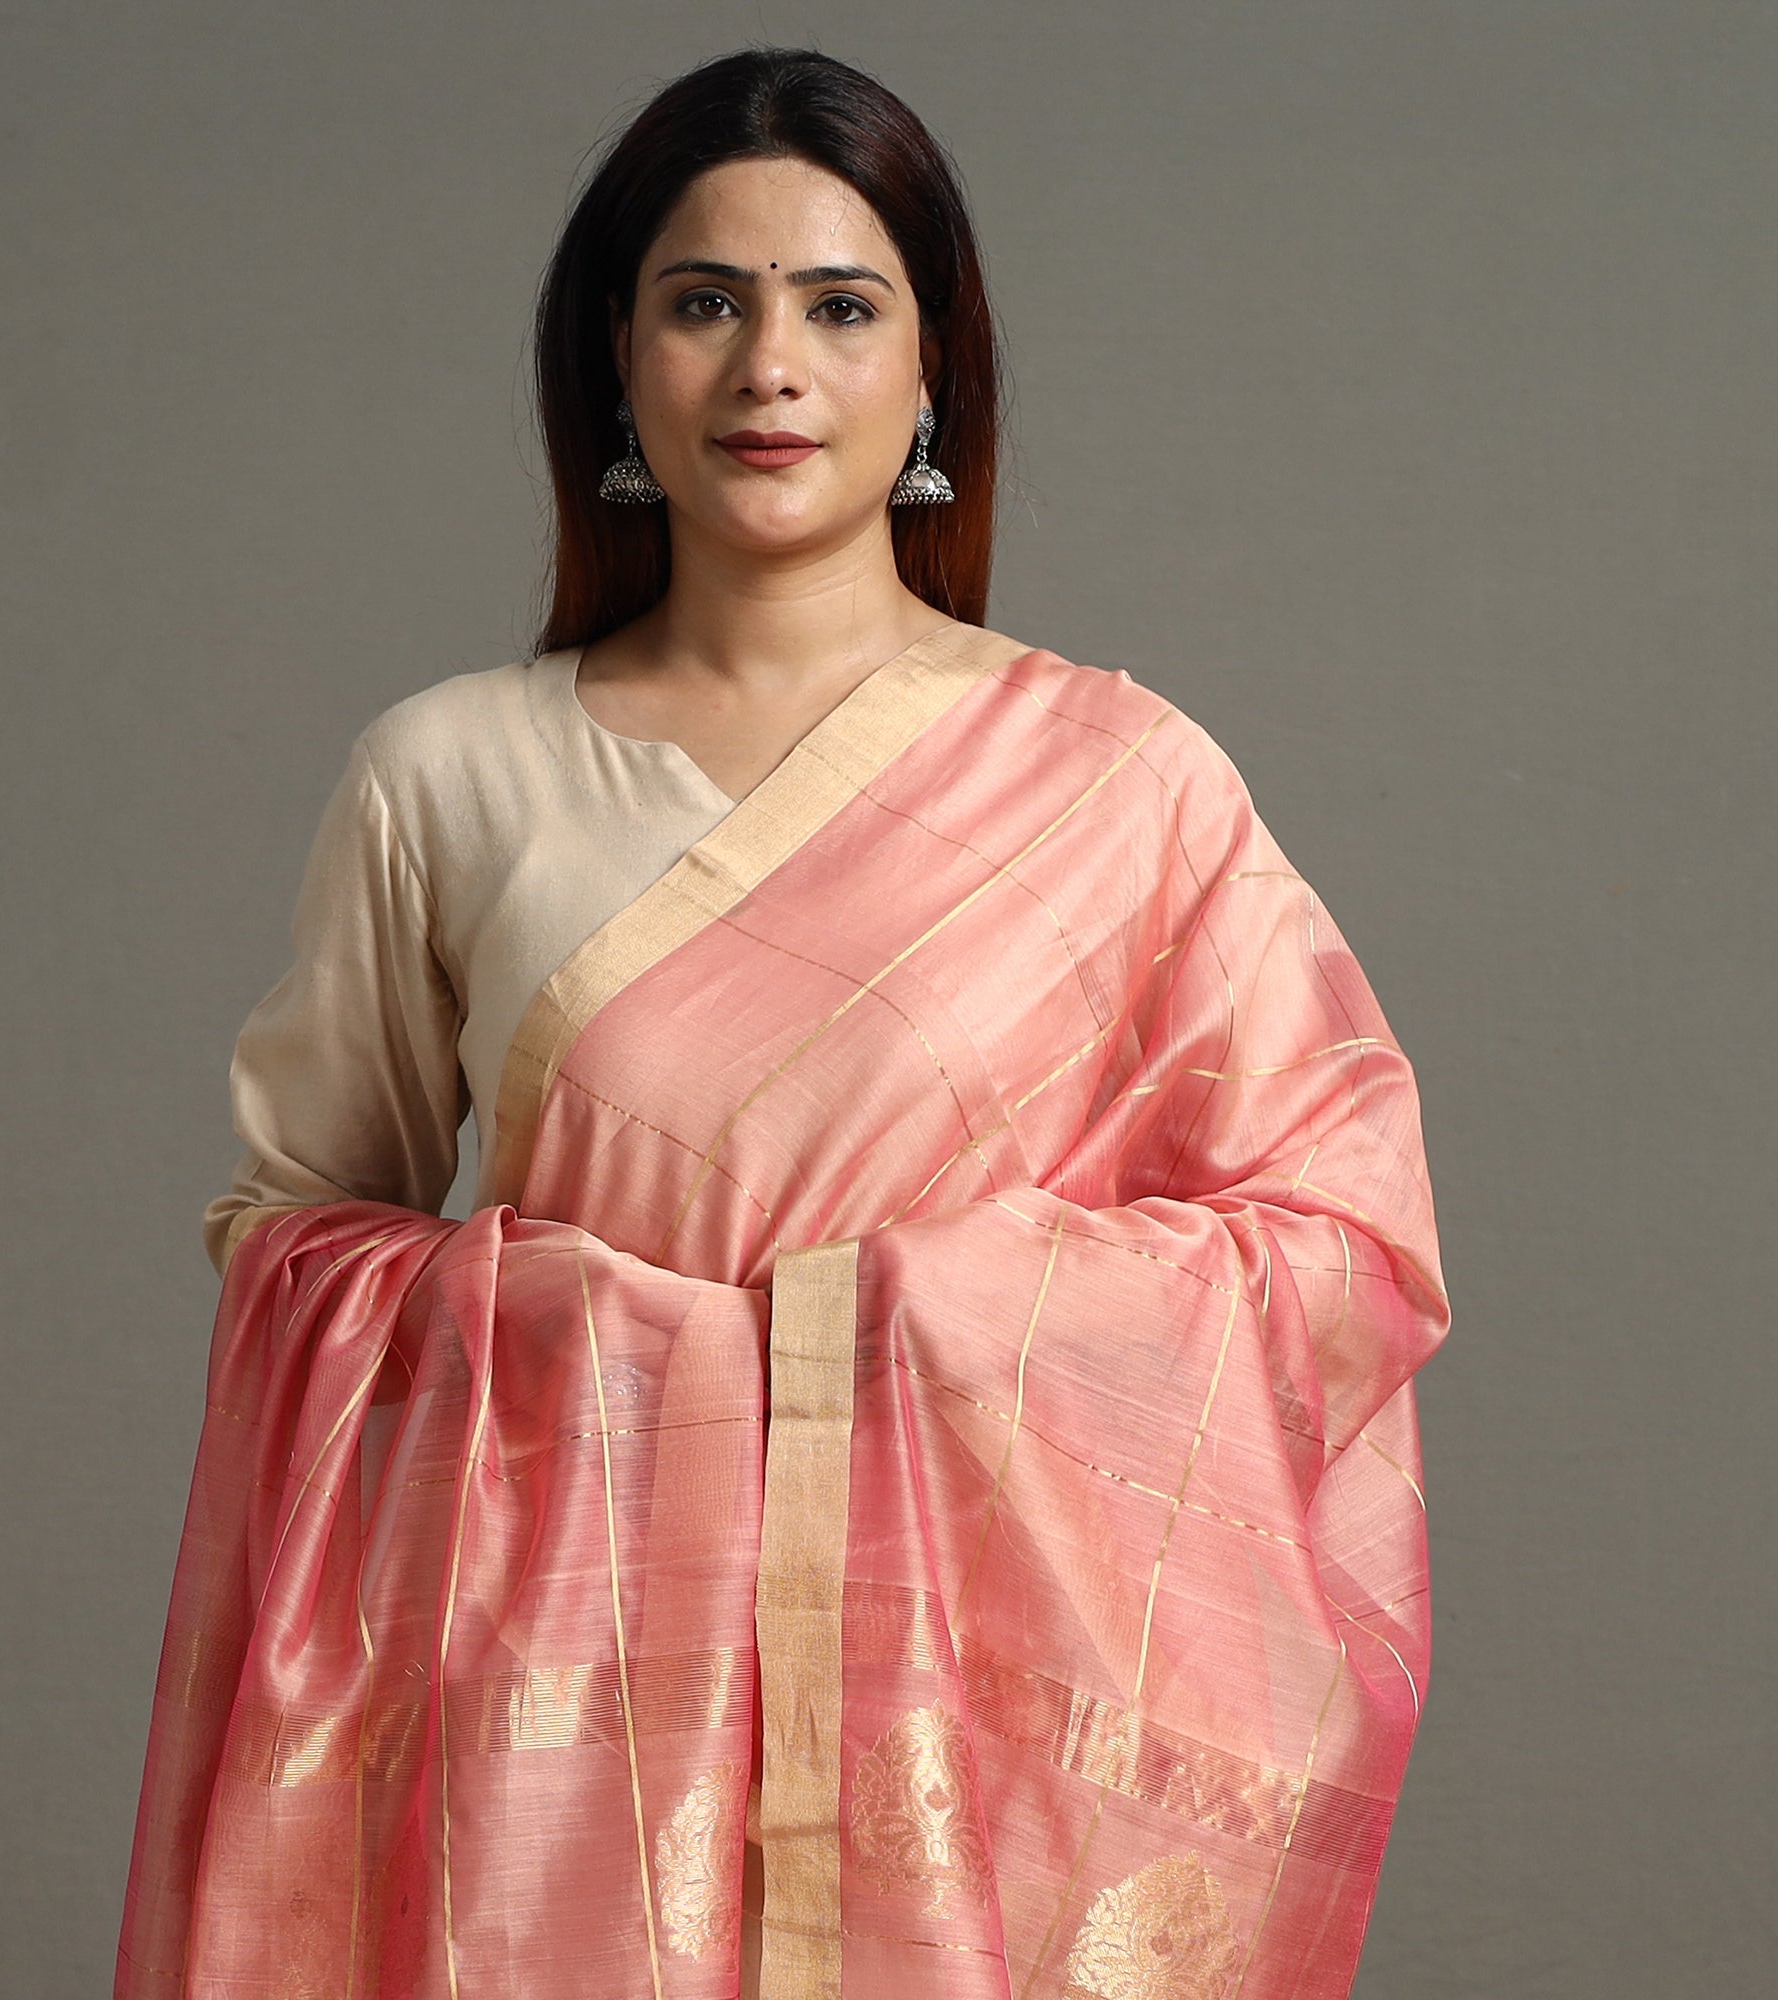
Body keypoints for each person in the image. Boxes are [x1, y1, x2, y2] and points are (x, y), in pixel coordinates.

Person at [116, 47, 1448, 2000]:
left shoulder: (1119, 781)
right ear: (618, 360)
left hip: (966, 1776)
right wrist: (527, 1321)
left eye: (840, 306)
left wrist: (928, 1316)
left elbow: (1342, 1244)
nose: (770, 368)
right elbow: (292, 1242)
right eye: (703, 304)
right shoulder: (451, 776)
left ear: (933, 370)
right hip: (565, 1755)